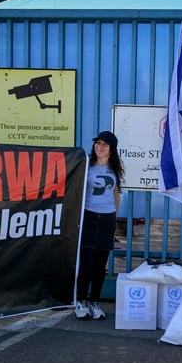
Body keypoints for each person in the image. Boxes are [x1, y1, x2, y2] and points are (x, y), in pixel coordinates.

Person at [75, 131, 124, 320]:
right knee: (87, 263)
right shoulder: (86, 165)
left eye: (104, 144)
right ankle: (80, 301)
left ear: (111, 149)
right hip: (88, 216)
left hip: (107, 219)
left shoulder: (115, 169)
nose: (99, 147)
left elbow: (116, 194)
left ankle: (94, 302)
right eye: (98, 143)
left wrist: (113, 217)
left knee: (100, 265)